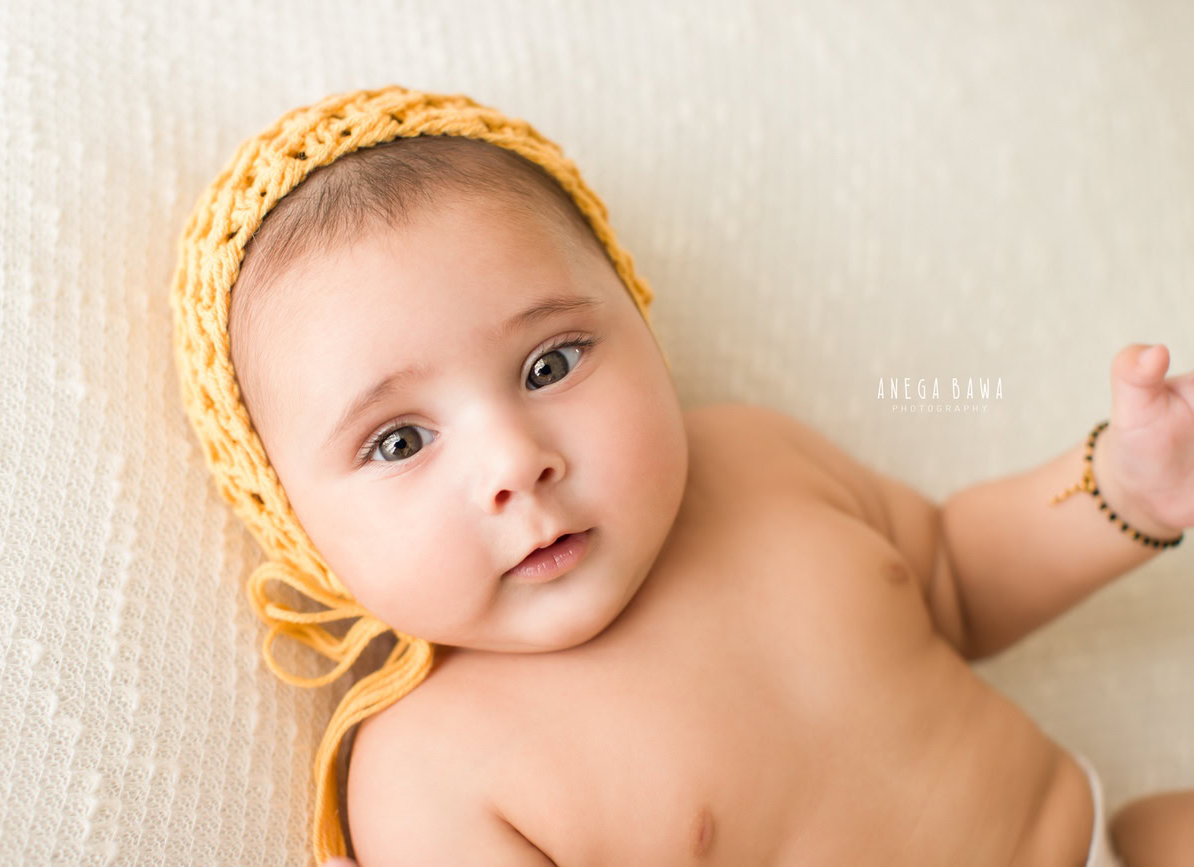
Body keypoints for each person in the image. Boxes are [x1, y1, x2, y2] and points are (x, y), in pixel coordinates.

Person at [170, 86, 1194, 865]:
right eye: (398, 441)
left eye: (550, 364)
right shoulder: (435, 774)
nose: (514, 461)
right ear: (293, 520)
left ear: (639, 319)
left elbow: (959, 577)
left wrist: (1124, 489)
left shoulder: (759, 463)